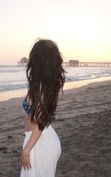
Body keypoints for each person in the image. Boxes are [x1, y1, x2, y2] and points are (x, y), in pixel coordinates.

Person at [20, 39, 66, 177]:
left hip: (38, 143)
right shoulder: (48, 85)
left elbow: (40, 124)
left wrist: (26, 150)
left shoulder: (41, 87)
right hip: (43, 139)